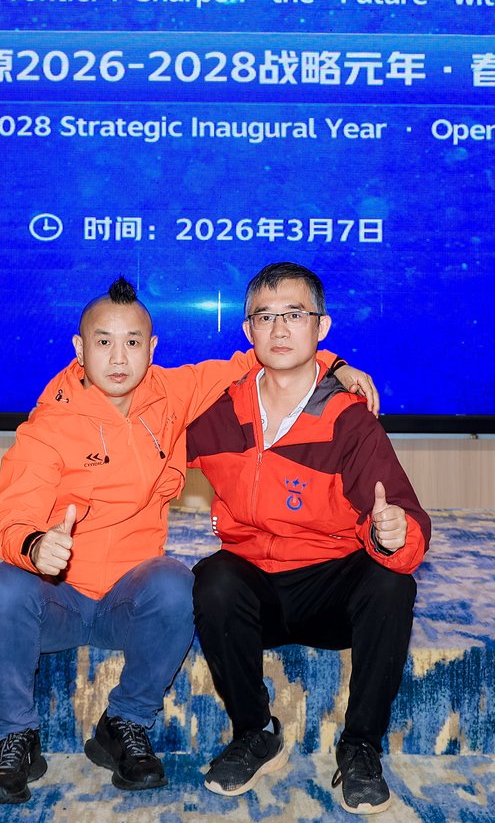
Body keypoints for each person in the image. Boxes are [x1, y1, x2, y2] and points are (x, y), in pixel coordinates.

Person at [0, 276, 377, 804]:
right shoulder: (48, 424)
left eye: (132, 342)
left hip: (128, 606)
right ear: (79, 347)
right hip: (58, 602)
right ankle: (15, 739)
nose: (118, 358)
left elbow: (259, 360)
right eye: (103, 342)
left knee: (176, 581)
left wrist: (333, 364)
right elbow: (11, 515)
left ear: (152, 348)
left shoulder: (172, 394)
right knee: (4, 585)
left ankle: (124, 722)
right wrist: (34, 545)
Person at [187, 261, 431, 815]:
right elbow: (146, 446)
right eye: (265, 317)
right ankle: (255, 732)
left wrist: (394, 534)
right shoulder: (217, 410)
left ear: (321, 327)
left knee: (392, 583)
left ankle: (360, 747)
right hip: (256, 593)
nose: (279, 329)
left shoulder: (349, 419)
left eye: (295, 315)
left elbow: (405, 512)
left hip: (328, 591)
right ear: (247, 331)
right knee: (211, 579)